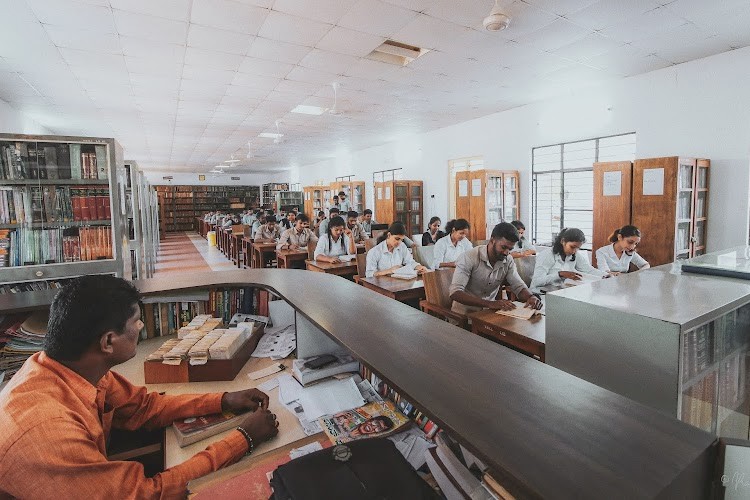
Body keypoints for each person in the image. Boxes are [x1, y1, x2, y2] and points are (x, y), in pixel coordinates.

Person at [0, 275, 279, 499]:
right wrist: (245, 438)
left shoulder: (72, 367)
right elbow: (148, 494)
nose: (143, 325)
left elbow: (144, 408)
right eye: (136, 321)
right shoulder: (48, 431)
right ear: (108, 342)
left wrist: (225, 400)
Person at [449, 222, 542, 316]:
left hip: (489, 314)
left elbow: (518, 286)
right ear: (492, 240)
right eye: (504, 247)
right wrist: (490, 304)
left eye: (510, 249)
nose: (506, 252)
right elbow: (455, 292)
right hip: (463, 317)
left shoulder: (508, 260)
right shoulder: (469, 257)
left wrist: (531, 296)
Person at [530, 228, 608, 293]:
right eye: (572, 247)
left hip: (560, 291)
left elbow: (588, 270)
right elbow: (536, 282)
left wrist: (605, 275)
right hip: (541, 294)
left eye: (578, 248)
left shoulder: (574, 255)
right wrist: (560, 274)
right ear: (563, 241)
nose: (574, 251)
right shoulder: (547, 255)